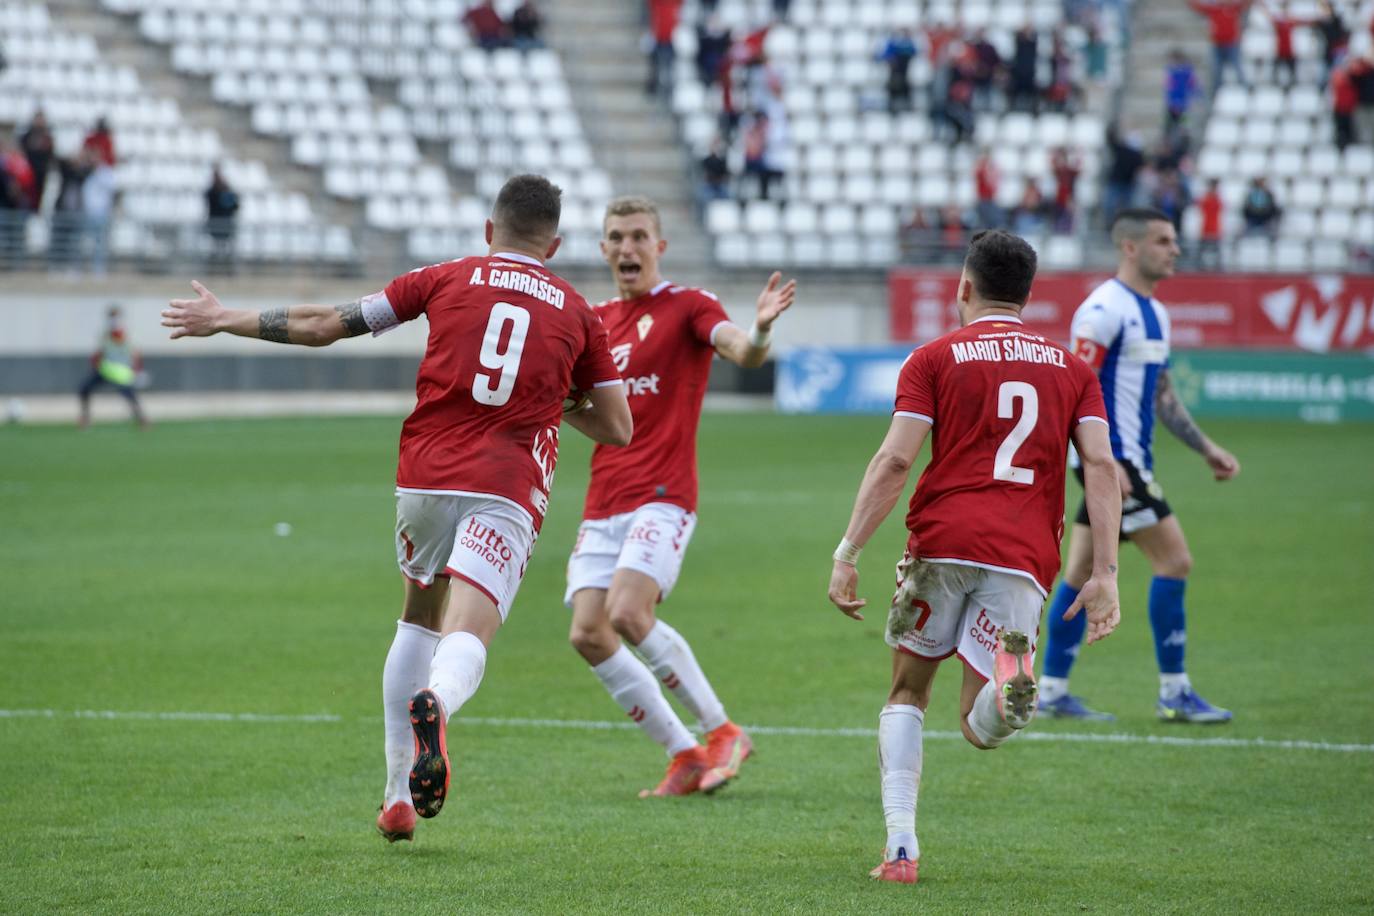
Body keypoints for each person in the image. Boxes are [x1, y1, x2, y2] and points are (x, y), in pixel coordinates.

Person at [160, 175, 633, 843]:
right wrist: (560, 400)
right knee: (468, 628)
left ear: (489, 230)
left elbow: (325, 325)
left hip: (425, 478)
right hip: (506, 483)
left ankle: (396, 797)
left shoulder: (440, 278)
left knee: (418, 615)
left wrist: (224, 318)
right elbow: (617, 426)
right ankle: (437, 702)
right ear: (553, 246)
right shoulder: (580, 313)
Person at [827, 228, 1122, 885]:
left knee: (907, 692)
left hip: (940, 545)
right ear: (1027, 295)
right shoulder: (1073, 371)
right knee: (978, 724)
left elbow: (896, 459)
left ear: (964, 286)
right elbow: (1101, 466)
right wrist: (1105, 572)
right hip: (1023, 556)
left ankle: (901, 848)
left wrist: (849, 550)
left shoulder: (933, 358)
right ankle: (1010, 683)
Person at [563, 195, 795, 797]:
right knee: (588, 633)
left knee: (627, 612)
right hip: (604, 498)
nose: (627, 247)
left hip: (663, 494)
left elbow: (742, 350)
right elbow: (575, 405)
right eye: (617, 237)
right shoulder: (593, 321)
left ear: (659, 246)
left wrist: (760, 328)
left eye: (639, 236)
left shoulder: (688, 305)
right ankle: (684, 754)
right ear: (603, 249)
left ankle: (722, 731)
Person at [1039, 208, 1240, 724]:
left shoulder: (1156, 313)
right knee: (1175, 561)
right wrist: (1101, 464)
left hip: (1124, 463)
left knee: (1079, 572)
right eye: (1163, 241)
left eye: (1174, 240)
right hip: (1115, 464)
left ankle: (1051, 690)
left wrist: (1206, 448)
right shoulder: (1102, 310)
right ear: (1130, 247)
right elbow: (1072, 389)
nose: (1175, 249)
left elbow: (1163, 393)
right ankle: (1174, 692)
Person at [77, 305, 149, 429]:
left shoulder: (122, 334)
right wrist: (96, 361)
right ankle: (85, 418)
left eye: (115, 317)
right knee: (84, 388)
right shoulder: (105, 334)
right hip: (105, 369)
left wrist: (137, 370)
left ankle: (142, 419)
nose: (113, 320)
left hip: (120, 372)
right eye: (111, 317)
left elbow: (133, 353)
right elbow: (101, 352)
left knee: (130, 395)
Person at [1187, 0, 1254, 97]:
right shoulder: (1214, 9)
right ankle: (1215, 93)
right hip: (1217, 44)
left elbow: (1246, 4)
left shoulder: (1234, 8)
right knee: (1216, 69)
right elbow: (1198, 7)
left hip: (1231, 44)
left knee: (1237, 67)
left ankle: (1245, 88)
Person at [204, 164, 239, 274]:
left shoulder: (227, 190)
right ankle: (214, 269)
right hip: (216, 222)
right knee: (216, 248)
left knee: (226, 248)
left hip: (226, 222)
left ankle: (227, 269)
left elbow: (235, 206)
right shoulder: (212, 192)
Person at [19, 110, 54, 211]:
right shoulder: (26, 137)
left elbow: (50, 155)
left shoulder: (47, 138)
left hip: (42, 174)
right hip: (27, 174)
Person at [878, 28, 918, 113]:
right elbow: (884, 55)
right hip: (894, 74)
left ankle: (906, 105)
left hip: (904, 75)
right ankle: (892, 107)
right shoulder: (892, 44)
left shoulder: (908, 44)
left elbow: (914, 52)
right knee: (893, 87)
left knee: (904, 86)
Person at [1196, 178, 1225, 268]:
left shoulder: (1217, 199)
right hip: (1206, 228)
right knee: (1202, 251)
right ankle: (1200, 266)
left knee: (1216, 251)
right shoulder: (1206, 198)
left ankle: (1217, 266)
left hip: (1215, 229)